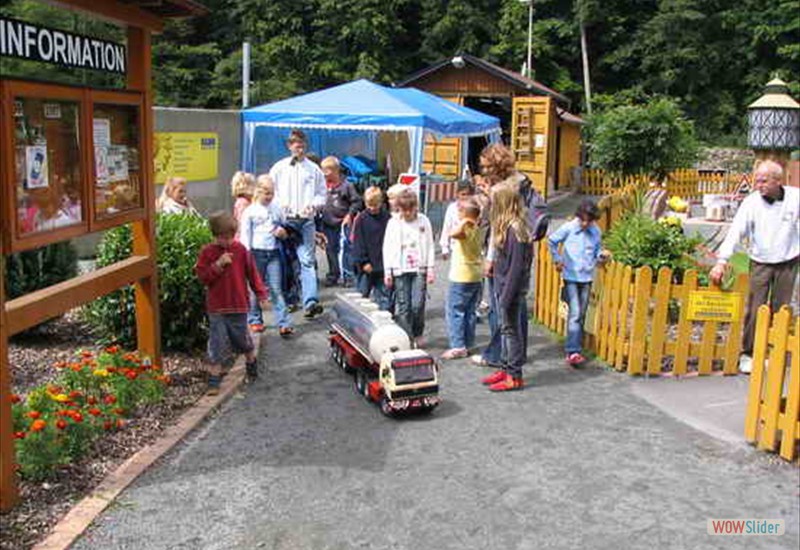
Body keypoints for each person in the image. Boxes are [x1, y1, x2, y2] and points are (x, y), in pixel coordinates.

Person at [710, 159, 799, 373]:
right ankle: (748, 354)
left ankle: (774, 351)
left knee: (781, 309)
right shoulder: (751, 202)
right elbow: (735, 231)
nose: (758, 185)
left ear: (778, 181)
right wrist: (722, 261)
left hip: (788, 261)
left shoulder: (795, 198)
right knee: (755, 308)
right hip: (760, 261)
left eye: (763, 181)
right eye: (756, 180)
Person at [195, 212, 269, 393]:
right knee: (217, 343)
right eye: (222, 238)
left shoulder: (241, 250)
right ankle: (214, 378)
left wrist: (261, 295)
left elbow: (252, 274)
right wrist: (218, 265)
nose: (227, 241)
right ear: (214, 235)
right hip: (217, 307)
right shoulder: (208, 252)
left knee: (241, 338)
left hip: (238, 304)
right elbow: (203, 277)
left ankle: (251, 361)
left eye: (230, 237)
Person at [268, 129, 326, 318]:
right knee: (285, 261)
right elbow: (270, 192)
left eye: (301, 145)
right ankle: (290, 299)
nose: (299, 148)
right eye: (295, 145)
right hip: (286, 221)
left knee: (307, 261)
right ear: (289, 146)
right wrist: (279, 207)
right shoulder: (279, 168)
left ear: (305, 146)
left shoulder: (314, 169)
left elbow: (321, 194)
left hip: (306, 221)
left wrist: (314, 205)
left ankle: (310, 302)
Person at [480, 185, 533, 392]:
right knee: (505, 329)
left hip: (511, 290)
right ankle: (505, 368)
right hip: (504, 287)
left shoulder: (515, 230)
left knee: (512, 332)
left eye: (494, 202)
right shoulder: (509, 227)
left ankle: (514, 375)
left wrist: (506, 295)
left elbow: (517, 269)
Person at [548, 200, 605, 366]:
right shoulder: (569, 227)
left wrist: (601, 255)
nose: (586, 224)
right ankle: (573, 351)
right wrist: (557, 259)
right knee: (575, 312)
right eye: (583, 220)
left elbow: (596, 250)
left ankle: (575, 345)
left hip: (587, 276)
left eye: (589, 220)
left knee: (581, 313)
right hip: (571, 276)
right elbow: (552, 240)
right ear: (578, 217)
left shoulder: (596, 231)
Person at [239, 175, 294, 338]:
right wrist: (246, 254)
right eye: (266, 193)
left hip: (274, 252)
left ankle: (284, 322)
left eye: (271, 193)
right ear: (258, 191)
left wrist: (283, 232)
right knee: (256, 288)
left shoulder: (277, 208)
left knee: (276, 288)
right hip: (256, 252)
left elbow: (285, 226)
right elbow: (245, 234)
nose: (269, 197)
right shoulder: (250, 211)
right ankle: (255, 319)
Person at [382, 190, 435, 346]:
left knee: (417, 304)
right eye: (403, 209)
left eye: (409, 209)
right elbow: (387, 247)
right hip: (400, 269)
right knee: (404, 305)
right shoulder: (393, 223)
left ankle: (418, 332)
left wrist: (430, 268)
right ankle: (407, 337)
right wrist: (388, 271)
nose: (407, 213)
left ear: (415, 207)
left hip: (419, 268)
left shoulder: (423, 221)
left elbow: (430, 244)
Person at [442, 197, 483, 360]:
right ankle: (469, 342)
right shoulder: (478, 228)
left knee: (455, 310)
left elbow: (453, 234)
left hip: (461, 275)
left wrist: (464, 220)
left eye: (459, 212)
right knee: (470, 311)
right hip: (475, 275)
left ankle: (458, 345)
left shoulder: (466, 229)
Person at [320, 156, 363, 287]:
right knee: (330, 249)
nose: (324, 174)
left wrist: (350, 215)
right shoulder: (322, 186)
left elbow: (357, 202)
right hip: (328, 223)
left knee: (347, 249)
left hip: (343, 223)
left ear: (336, 170)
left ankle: (348, 275)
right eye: (323, 171)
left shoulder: (347, 186)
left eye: (327, 171)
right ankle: (333, 274)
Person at [351, 186, 392, 310]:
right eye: (369, 205)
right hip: (366, 267)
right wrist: (363, 262)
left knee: (384, 298)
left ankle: (385, 322)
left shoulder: (387, 218)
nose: (372, 208)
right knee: (361, 297)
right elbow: (358, 243)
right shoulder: (361, 219)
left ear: (381, 203)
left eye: (375, 205)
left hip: (383, 265)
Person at [439, 179, 476, 260]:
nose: (465, 197)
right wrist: (444, 248)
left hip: (472, 250)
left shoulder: (475, 208)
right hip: (456, 249)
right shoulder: (452, 209)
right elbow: (446, 228)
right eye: (463, 194)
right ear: (457, 195)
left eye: (468, 194)